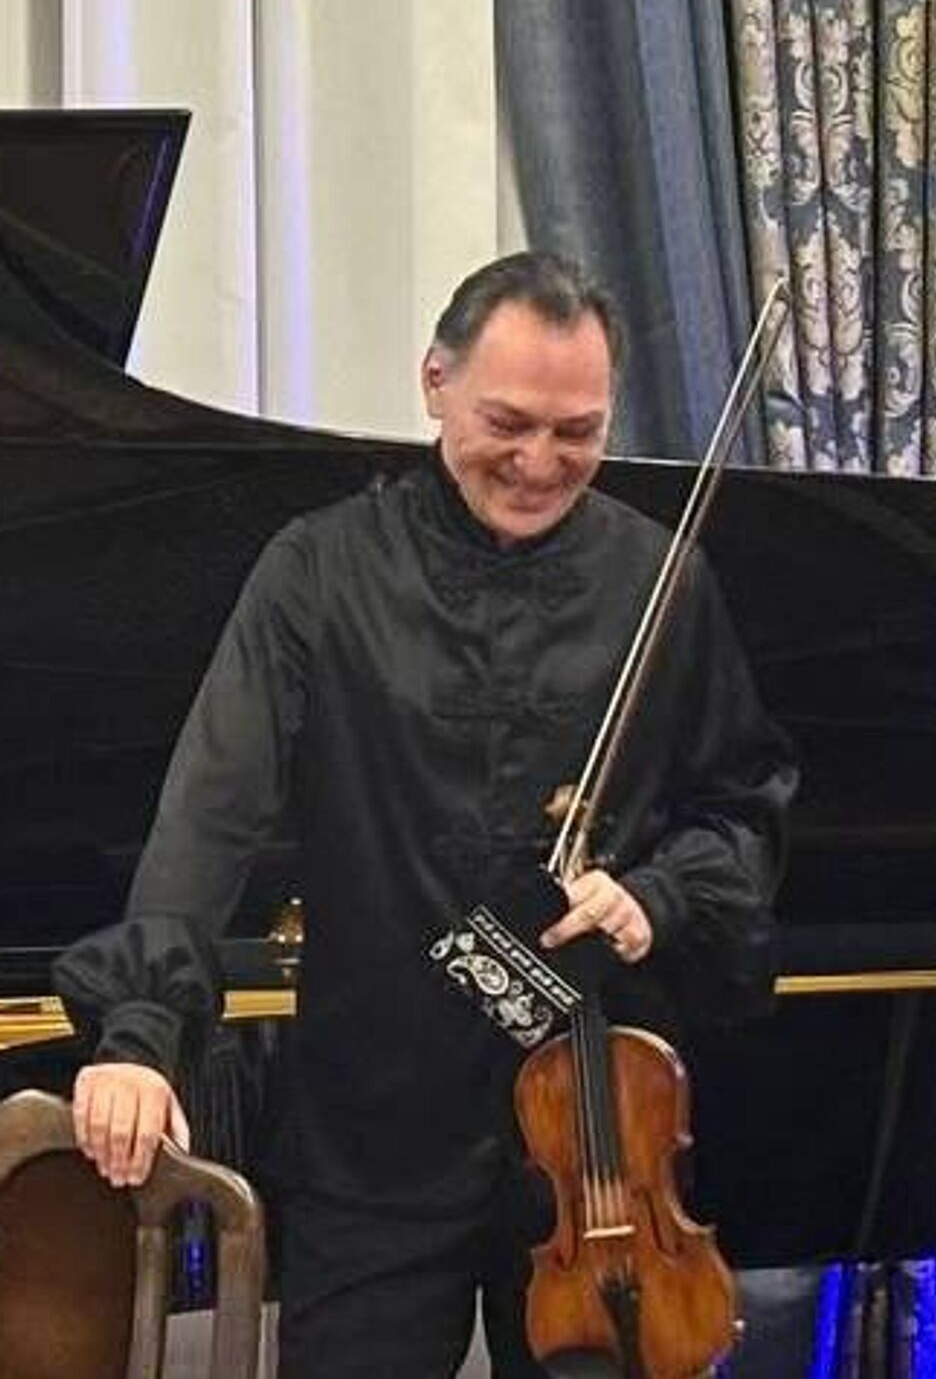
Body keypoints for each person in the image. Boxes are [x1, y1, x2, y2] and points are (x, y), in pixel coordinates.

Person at [54, 252, 796, 1378]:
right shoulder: (319, 573)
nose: (540, 462)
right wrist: (142, 1034)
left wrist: (658, 895)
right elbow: (211, 809)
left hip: (601, 1139)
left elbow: (743, 807)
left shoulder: (663, 579)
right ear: (435, 382)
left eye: (579, 432)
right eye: (508, 422)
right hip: (374, 1131)